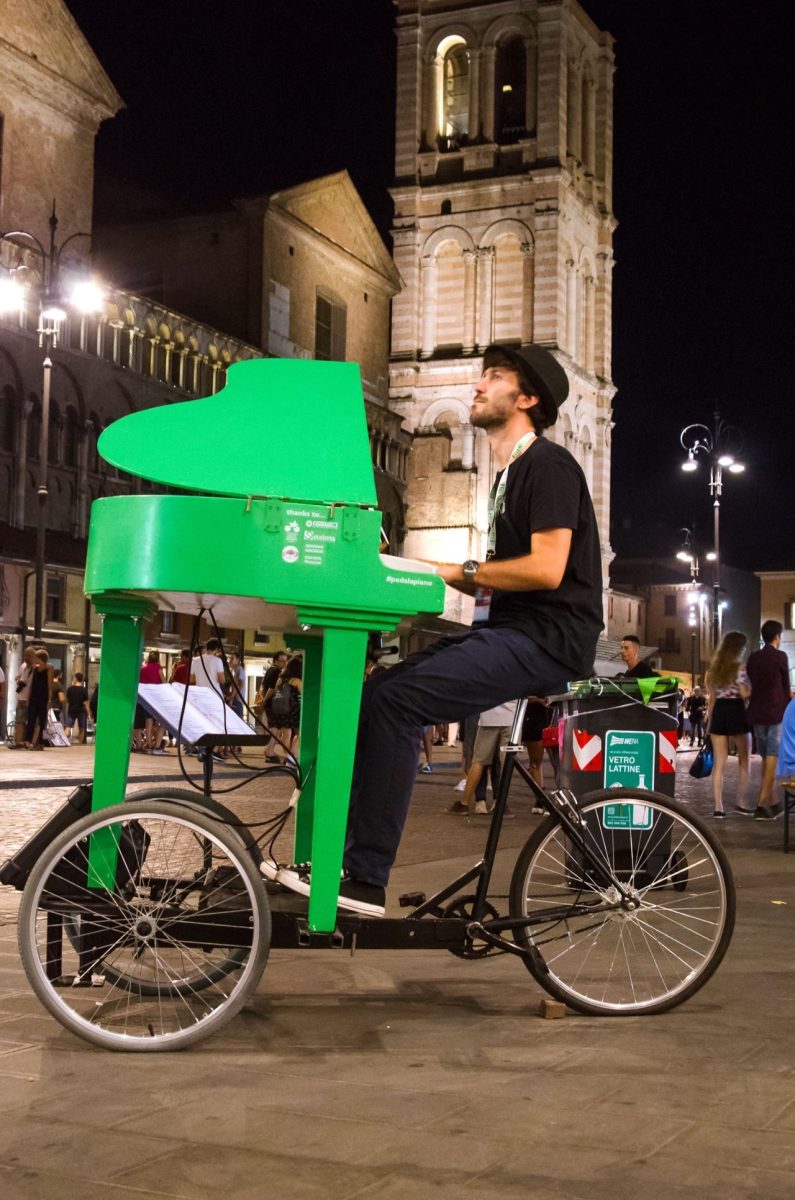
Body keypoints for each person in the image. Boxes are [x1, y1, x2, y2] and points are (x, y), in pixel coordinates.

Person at [277, 341, 603, 915]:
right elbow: (491, 579)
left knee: (397, 703)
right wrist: (408, 578)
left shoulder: (546, 464)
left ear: (527, 399)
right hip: (514, 631)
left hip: (546, 639)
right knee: (374, 692)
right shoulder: (510, 475)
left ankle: (365, 877)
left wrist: (456, 570)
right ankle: (336, 856)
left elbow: (547, 568)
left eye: (494, 377)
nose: (478, 386)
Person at [746, 619, 791, 819]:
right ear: (777, 636)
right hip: (775, 711)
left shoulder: (753, 658)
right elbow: (786, 687)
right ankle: (761, 803)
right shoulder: (781, 657)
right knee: (773, 755)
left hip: (757, 712)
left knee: (766, 757)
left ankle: (772, 802)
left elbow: (751, 682)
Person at [705, 630, 751, 818]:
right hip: (737, 710)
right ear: (738, 648)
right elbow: (744, 693)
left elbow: (712, 699)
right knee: (744, 759)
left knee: (719, 763)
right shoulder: (740, 668)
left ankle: (718, 806)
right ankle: (741, 801)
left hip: (719, 712)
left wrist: (709, 723)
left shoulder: (713, 670)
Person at [448, 700, 517, 815]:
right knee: (505, 762)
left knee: (479, 761)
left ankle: (465, 803)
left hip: (488, 717)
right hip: (512, 717)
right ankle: (501, 804)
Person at [24, 649, 53, 750]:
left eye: (36, 657)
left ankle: (40, 743)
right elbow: (31, 684)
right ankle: (27, 741)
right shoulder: (35, 669)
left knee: (42, 721)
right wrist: (28, 698)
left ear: (40, 658)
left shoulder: (49, 668)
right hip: (33, 698)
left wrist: (49, 699)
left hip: (43, 698)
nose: (34, 659)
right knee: (31, 720)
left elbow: (50, 685)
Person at [139, 651, 166, 754]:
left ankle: (149, 745)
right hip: (157, 698)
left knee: (148, 722)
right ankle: (157, 746)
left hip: (146, 698)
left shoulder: (143, 669)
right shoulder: (158, 667)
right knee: (161, 722)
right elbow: (164, 682)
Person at [11, 646, 37, 749]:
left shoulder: (37, 668)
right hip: (21, 698)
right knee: (19, 721)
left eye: (29, 655)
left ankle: (31, 743)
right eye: (25, 655)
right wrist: (19, 681)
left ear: (34, 656)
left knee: (33, 722)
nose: (27, 657)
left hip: (31, 699)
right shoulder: (23, 666)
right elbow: (17, 677)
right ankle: (18, 743)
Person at [64, 672, 90, 744]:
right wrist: (88, 713)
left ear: (75, 678)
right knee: (81, 727)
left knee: (68, 726)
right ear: (81, 680)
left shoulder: (70, 689)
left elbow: (67, 700)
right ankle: (80, 743)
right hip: (81, 710)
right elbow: (85, 702)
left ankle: (65, 741)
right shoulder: (84, 690)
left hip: (71, 709)